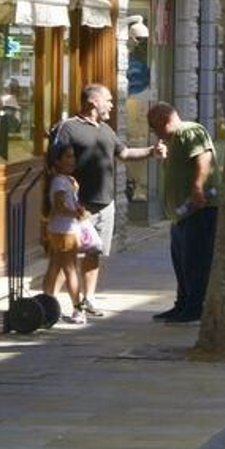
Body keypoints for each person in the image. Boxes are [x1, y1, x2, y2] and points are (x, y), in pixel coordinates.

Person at [50, 83, 164, 316]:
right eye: (108, 100)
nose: (112, 105)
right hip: (79, 207)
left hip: (105, 204)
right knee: (66, 258)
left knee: (94, 253)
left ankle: (88, 299)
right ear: (93, 102)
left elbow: (124, 154)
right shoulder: (68, 128)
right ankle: (49, 303)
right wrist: (64, 198)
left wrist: (151, 151)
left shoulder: (106, 130)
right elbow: (53, 160)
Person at [148, 102, 220, 324]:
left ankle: (195, 306)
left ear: (164, 120)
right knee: (182, 261)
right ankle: (183, 303)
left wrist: (198, 186)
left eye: (154, 127)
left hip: (198, 209)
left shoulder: (190, 131)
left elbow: (203, 158)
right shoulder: (174, 139)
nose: (155, 133)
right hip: (181, 214)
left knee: (195, 261)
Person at [43, 143, 88, 325]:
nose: (72, 160)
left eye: (72, 156)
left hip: (60, 229)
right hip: (65, 231)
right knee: (70, 269)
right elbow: (60, 206)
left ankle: (47, 303)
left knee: (55, 266)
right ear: (57, 161)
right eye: (67, 157)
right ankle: (77, 307)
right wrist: (77, 213)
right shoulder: (60, 182)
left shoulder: (66, 180)